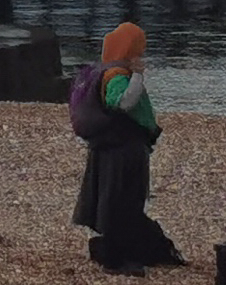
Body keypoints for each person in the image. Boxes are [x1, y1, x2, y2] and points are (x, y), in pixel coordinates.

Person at [71, 20, 182, 271]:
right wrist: (139, 75)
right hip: (124, 147)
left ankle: (125, 249)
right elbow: (123, 103)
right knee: (124, 199)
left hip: (109, 147)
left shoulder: (104, 71)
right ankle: (119, 255)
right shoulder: (116, 75)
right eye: (138, 47)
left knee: (115, 198)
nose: (141, 53)